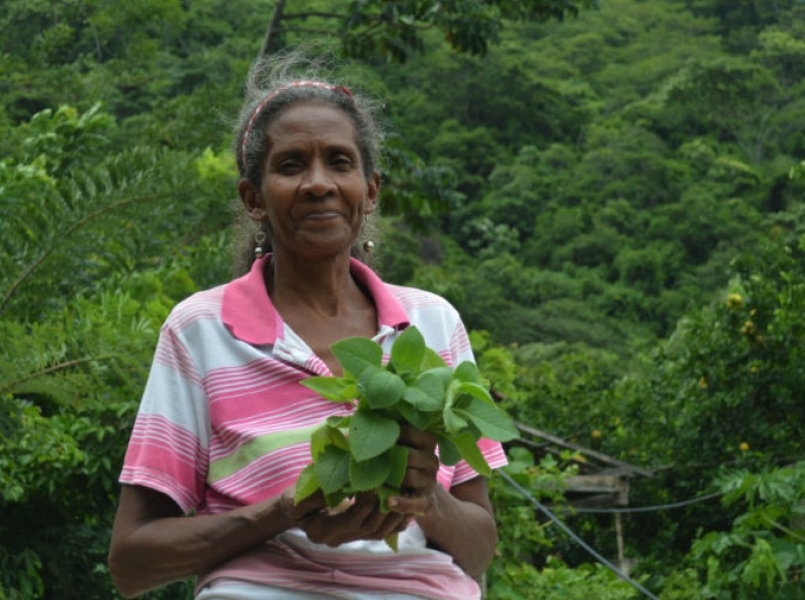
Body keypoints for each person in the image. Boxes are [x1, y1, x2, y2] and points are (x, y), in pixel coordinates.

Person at [107, 55, 507, 600]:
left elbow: (480, 549)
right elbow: (132, 563)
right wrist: (282, 513)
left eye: (339, 162)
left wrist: (426, 498)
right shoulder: (200, 330)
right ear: (254, 199)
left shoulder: (432, 323)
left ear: (369, 191)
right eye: (291, 165)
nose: (319, 183)